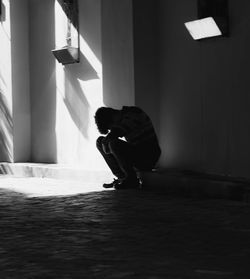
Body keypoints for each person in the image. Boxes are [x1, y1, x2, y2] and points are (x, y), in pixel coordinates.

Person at [95, 106, 161, 189]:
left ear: (113, 117)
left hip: (149, 157)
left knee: (113, 143)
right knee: (100, 141)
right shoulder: (122, 119)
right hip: (138, 153)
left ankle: (131, 180)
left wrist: (106, 143)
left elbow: (116, 132)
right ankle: (122, 177)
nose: (111, 129)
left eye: (110, 127)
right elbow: (112, 135)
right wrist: (105, 143)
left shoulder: (134, 113)